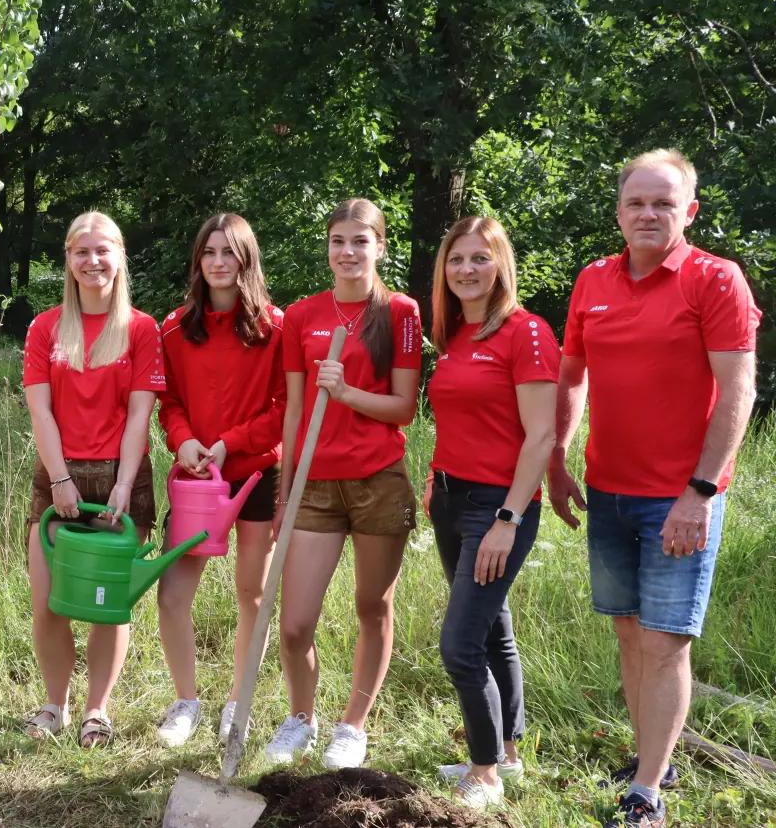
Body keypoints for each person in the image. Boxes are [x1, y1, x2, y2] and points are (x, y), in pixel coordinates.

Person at [548, 150, 759, 828]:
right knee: (630, 632)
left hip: (680, 499)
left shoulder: (716, 281)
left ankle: (646, 797)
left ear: (688, 212)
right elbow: (572, 375)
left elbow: (738, 391)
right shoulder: (592, 282)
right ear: (618, 212)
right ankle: (653, 760)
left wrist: (700, 492)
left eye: (664, 204)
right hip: (608, 492)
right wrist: (557, 454)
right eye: (637, 202)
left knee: (666, 641)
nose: (648, 213)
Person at [269, 198, 423, 769]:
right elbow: (292, 411)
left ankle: (352, 726)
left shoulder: (400, 313)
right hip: (313, 482)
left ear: (380, 247)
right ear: (327, 247)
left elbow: (404, 407)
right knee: (294, 623)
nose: (348, 252)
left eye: (361, 241)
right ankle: (299, 718)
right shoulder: (302, 317)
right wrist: (284, 492)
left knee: (371, 606)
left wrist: (347, 392)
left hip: (378, 479)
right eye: (339, 241)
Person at [423, 217, 558, 810]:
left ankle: (485, 774)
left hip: (496, 506)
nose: (467, 270)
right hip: (449, 498)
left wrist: (508, 517)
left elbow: (542, 436)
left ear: (500, 264)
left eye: (480, 258)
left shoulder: (525, 332)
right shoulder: (452, 335)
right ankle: (507, 752)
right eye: (457, 260)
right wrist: (433, 484)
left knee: (460, 645)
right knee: (493, 625)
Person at [20, 210, 165, 747]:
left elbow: (138, 416)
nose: (92, 261)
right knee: (49, 601)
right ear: (68, 259)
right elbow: (41, 412)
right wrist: (60, 480)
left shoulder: (143, 329)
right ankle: (53, 705)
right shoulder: (46, 326)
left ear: (120, 256)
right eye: (81, 251)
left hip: (122, 477)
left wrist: (124, 486)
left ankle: (96, 711)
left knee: (108, 603)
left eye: (103, 250)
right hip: (57, 477)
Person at [153, 213, 285, 747]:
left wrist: (232, 442)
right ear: (197, 262)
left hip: (254, 475)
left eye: (228, 252)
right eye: (208, 253)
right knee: (171, 596)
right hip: (194, 481)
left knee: (252, 594)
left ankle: (239, 702)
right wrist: (183, 440)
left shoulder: (277, 328)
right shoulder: (174, 327)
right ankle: (186, 703)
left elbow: (284, 407)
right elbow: (168, 401)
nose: (217, 263)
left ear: (245, 259)